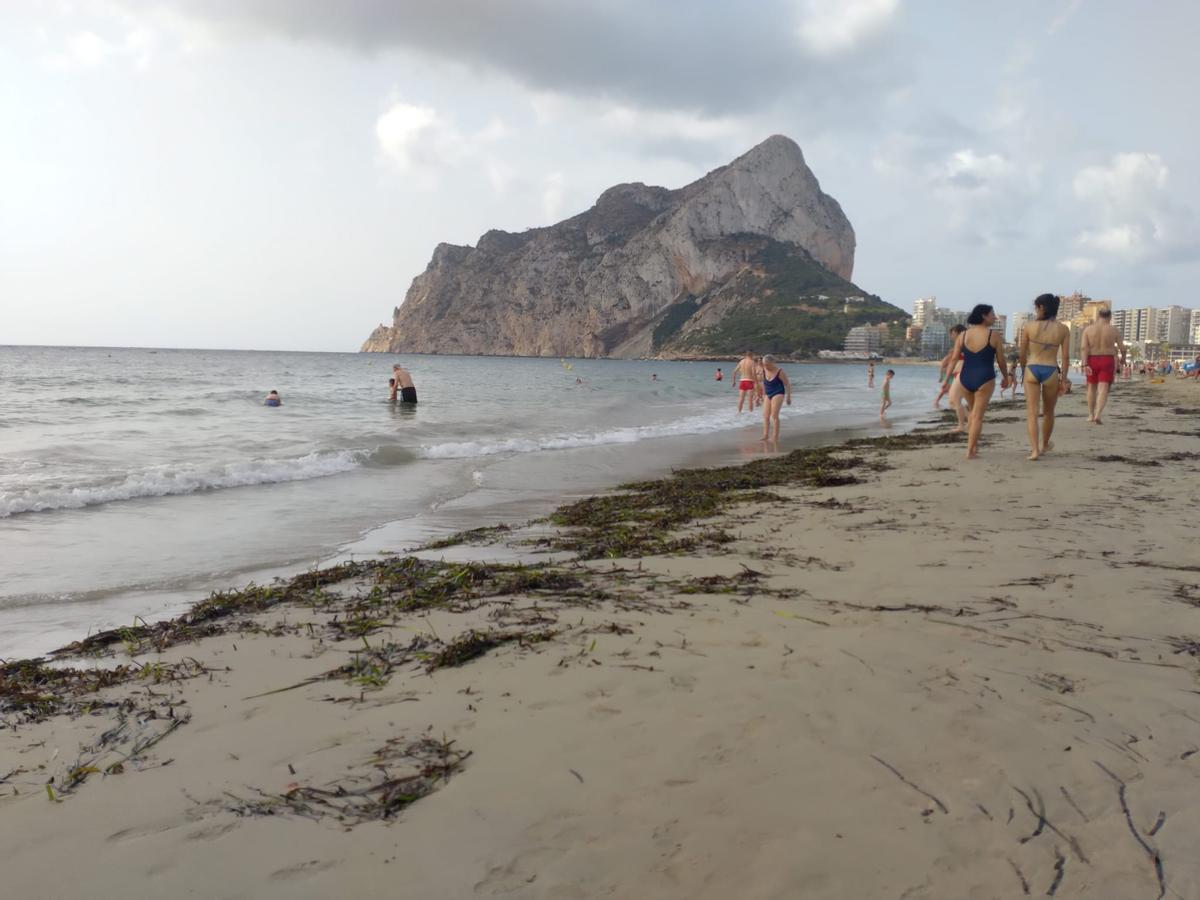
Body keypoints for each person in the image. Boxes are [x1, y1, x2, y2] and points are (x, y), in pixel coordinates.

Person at [947, 304, 1011, 460]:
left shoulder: (963, 336)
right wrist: (1006, 377)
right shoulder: (993, 335)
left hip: (966, 378)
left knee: (972, 413)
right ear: (984, 316)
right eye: (992, 314)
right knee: (977, 417)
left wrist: (946, 378)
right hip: (985, 377)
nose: (994, 317)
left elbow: (954, 358)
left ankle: (974, 447)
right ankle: (970, 452)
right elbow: (1001, 361)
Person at [1018, 293, 1070, 461]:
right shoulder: (1063, 329)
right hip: (1051, 370)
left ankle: (1034, 451)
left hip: (1032, 369)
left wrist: (1023, 369)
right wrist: (1064, 380)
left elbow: (1022, 354)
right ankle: (1044, 444)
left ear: (1042, 307)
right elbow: (1066, 357)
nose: (1035, 310)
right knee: (1048, 412)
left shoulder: (1029, 327)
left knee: (1032, 413)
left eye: (1036, 307)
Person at [1079, 307, 1125, 424]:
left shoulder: (1088, 330)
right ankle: (1098, 415)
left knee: (1091, 387)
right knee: (1103, 388)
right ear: (1110, 317)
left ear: (1098, 316)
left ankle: (1090, 414)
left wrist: (1084, 364)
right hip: (1107, 359)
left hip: (1091, 359)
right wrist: (1122, 359)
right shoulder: (1113, 330)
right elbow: (1122, 348)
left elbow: (1084, 348)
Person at [759, 354, 792, 441]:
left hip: (778, 392)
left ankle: (775, 436)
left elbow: (787, 384)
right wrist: (760, 396)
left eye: (766, 364)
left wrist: (788, 397)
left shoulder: (779, 371)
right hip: (767, 394)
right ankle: (765, 435)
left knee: (774, 415)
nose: (765, 366)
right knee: (765, 416)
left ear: (772, 363)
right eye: (763, 364)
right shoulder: (763, 370)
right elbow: (763, 384)